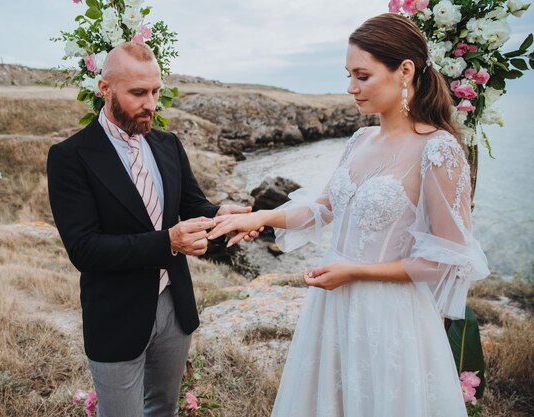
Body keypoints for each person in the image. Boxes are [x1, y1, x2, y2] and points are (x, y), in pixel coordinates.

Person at [208, 13, 489, 417]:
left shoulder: (438, 150)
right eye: (348, 75)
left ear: (404, 71)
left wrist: (356, 272)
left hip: (389, 316)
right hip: (333, 308)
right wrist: (259, 218)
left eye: (362, 76)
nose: (350, 88)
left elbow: (444, 258)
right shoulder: (360, 139)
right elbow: (324, 208)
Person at [47, 42, 254, 417]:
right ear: (104, 89)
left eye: (156, 91)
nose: (151, 104)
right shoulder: (69, 157)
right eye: (138, 93)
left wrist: (223, 215)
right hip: (116, 315)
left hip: (175, 308)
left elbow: (193, 205)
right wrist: (169, 241)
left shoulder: (167, 144)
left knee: (164, 409)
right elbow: (85, 249)